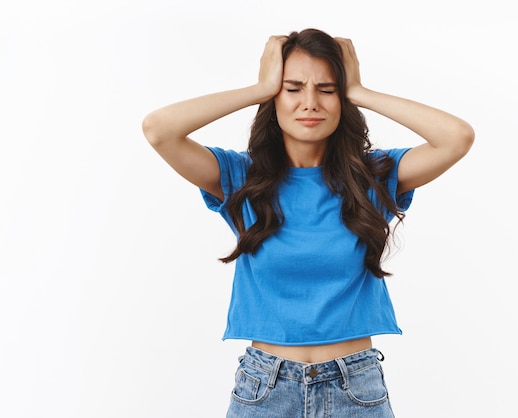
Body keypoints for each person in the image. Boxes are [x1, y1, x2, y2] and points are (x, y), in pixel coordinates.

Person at [142, 28, 473, 417]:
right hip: (264, 388)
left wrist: (361, 91)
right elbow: (158, 129)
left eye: (327, 89)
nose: (310, 103)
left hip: (356, 387)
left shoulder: (373, 177)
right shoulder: (240, 178)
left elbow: (457, 137)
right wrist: (259, 86)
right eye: (293, 88)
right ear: (274, 98)